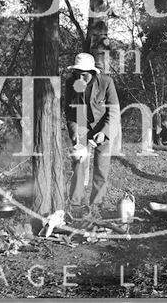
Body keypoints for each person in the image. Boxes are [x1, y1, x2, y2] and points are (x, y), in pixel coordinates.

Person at [64, 52, 120, 219]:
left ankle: (96, 204)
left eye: (85, 74)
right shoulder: (70, 83)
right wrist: (74, 130)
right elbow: (68, 111)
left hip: (104, 125)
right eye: (77, 73)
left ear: (93, 73)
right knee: (78, 164)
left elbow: (114, 111)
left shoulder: (106, 82)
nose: (81, 77)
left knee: (101, 167)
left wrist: (104, 133)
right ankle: (75, 203)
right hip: (81, 124)